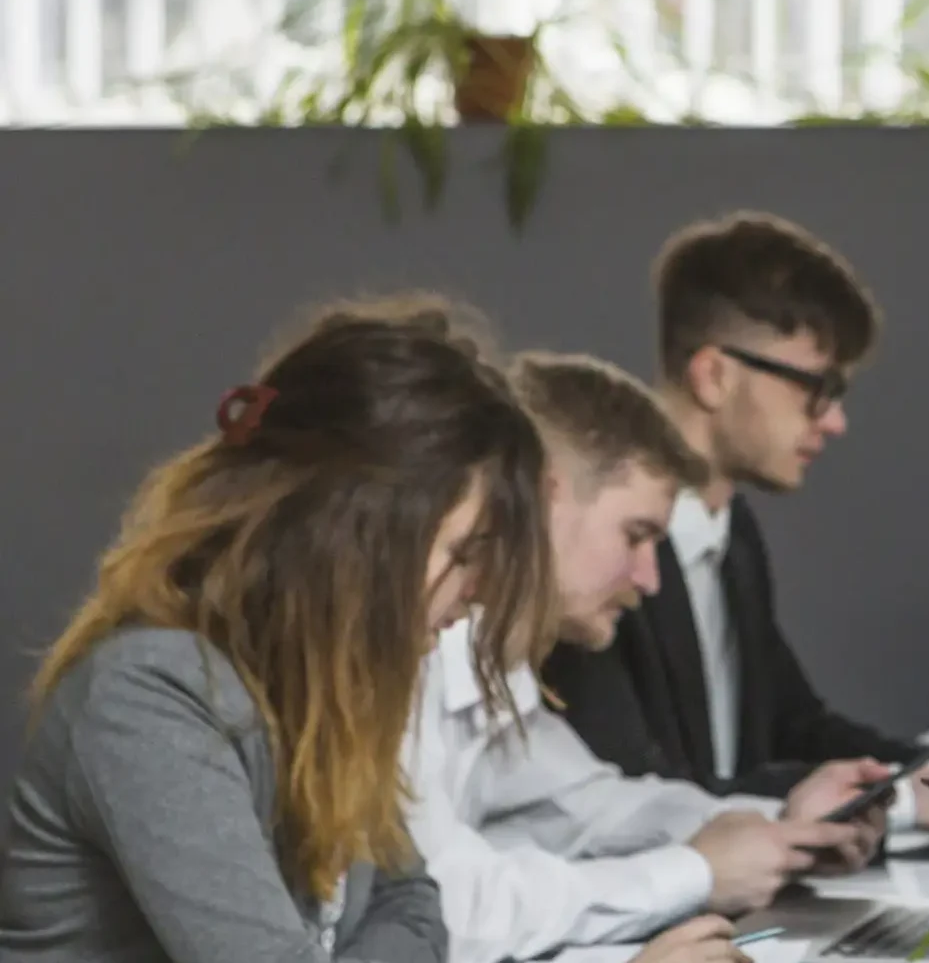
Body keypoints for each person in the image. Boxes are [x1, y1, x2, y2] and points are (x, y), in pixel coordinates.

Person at [0, 296, 558, 962]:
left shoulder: (322, 691)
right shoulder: (148, 697)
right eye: (463, 554)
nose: (477, 595)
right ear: (355, 534)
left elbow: (414, 906)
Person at [403, 350, 892, 963]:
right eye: (635, 536)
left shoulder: (489, 658)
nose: (649, 579)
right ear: (545, 501)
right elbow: (448, 907)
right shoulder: (416, 653)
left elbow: (589, 807)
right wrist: (693, 872)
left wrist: (784, 827)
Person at [541, 212, 929, 832]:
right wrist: (900, 802)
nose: (833, 421)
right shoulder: (593, 558)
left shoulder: (729, 533)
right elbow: (642, 792)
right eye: (814, 388)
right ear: (715, 374)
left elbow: (795, 726)